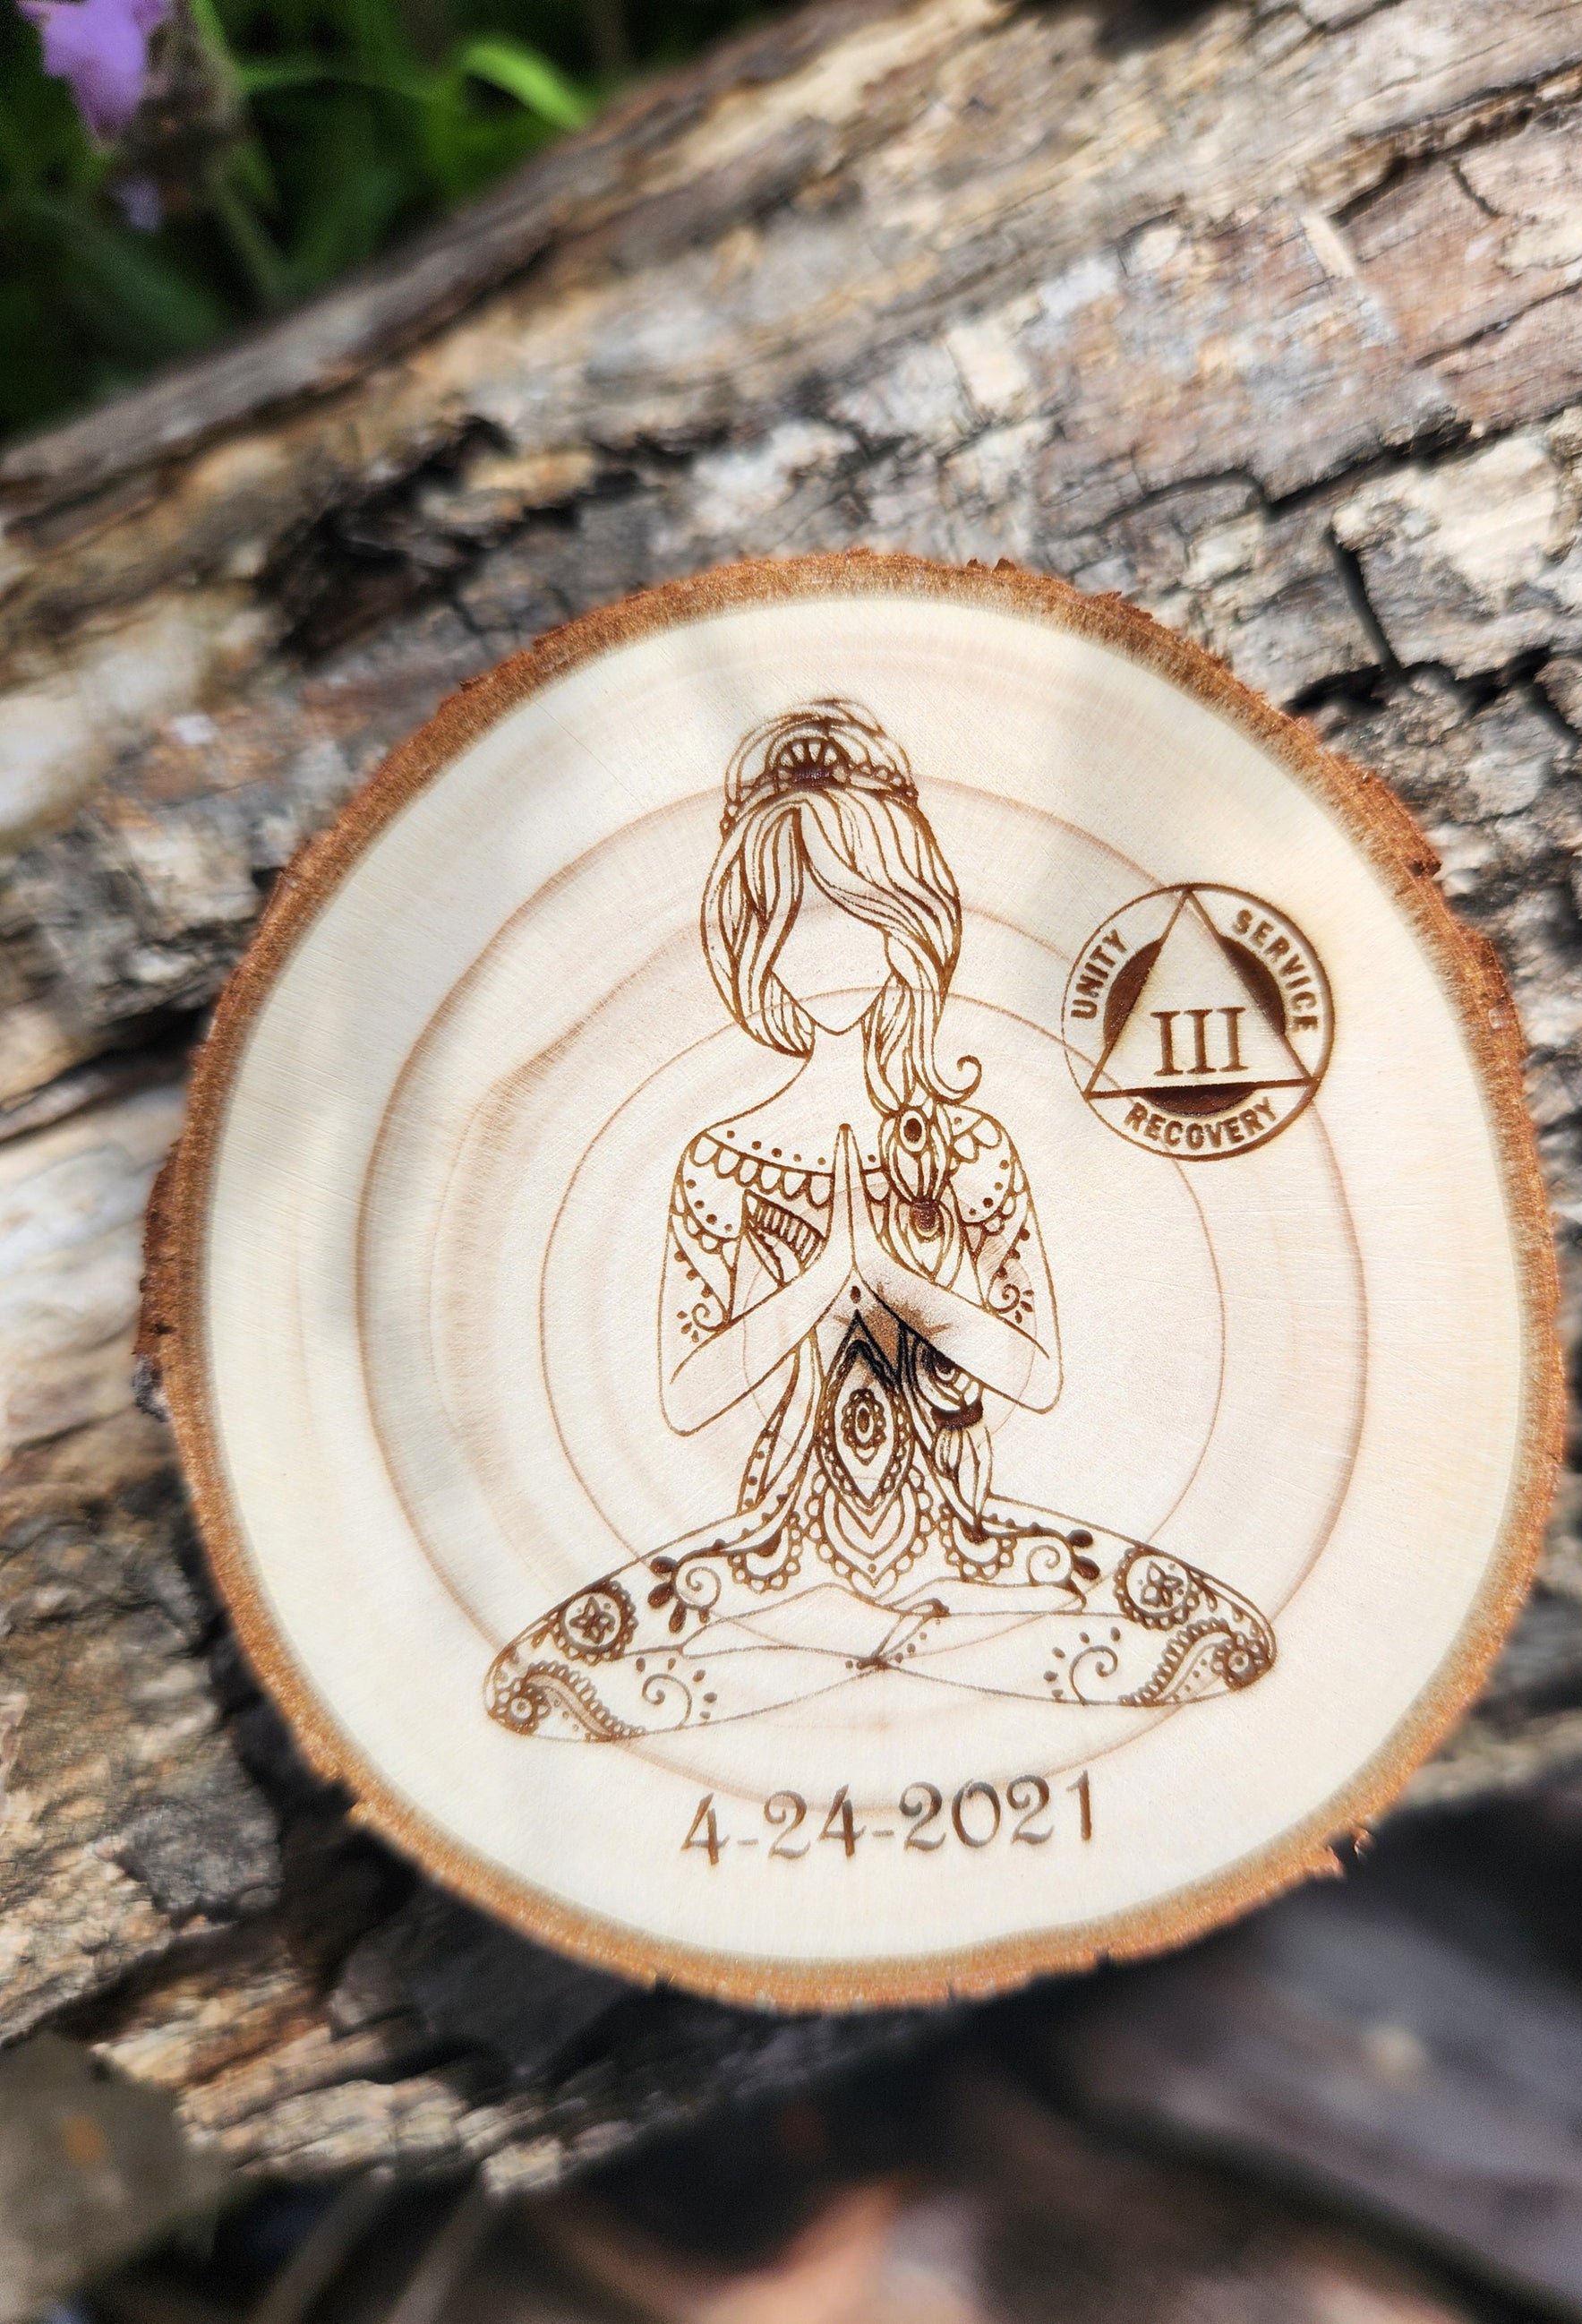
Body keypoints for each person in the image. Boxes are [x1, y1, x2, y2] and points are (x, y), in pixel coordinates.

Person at [486, 701, 1275, 1742]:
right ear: (751, 946)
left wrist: (896, 1281)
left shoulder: (969, 1143)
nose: (824, 953)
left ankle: (902, 1656)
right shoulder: (720, 1157)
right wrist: (823, 1277)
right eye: (788, 924)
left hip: (963, 1534)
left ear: (907, 923)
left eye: (854, 915)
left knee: (1200, 1638)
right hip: (783, 1538)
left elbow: (1035, 1375)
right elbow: (684, 1395)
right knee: (562, 1677)